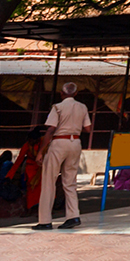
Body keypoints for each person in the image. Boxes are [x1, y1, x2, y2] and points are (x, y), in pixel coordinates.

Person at [33, 82, 92, 230]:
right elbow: (88, 128)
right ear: (76, 93)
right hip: (76, 142)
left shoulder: (57, 107)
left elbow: (51, 130)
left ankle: (45, 220)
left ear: (61, 93)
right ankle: (73, 216)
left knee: (49, 181)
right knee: (70, 182)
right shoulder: (83, 107)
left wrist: (41, 151)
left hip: (60, 142)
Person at [12, 126, 46, 212]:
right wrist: (10, 175)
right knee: (31, 188)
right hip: (31, 168)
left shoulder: (44, 142)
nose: (32, 142)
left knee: (45, 188)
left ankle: (44, 208)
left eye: (33, 140)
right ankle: (30, 208)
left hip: (44, 167)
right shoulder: (26, 146)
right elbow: (19, 160)